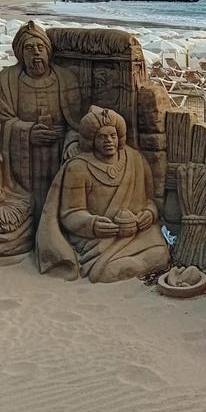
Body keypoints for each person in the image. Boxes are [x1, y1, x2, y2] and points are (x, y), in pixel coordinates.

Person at [37, 106, 170, 283]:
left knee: (161, 253)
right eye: (102, 136)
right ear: (91, 139)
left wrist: (148, 213)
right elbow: (69, 214)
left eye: (112, 136)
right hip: (97, 240)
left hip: (136, 233)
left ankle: (127, 264)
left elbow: (149, 200)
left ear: (119, 137)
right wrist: (92, 224)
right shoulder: (77, 168)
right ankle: (114, 265)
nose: (109, 141)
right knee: (106, 272)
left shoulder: (134, 159)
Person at [0, 21, 84, 222]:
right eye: (29, 48)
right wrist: (28, 132)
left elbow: (78, 123)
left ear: (48, 51)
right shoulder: (6, 80)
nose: (36, 53)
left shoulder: (66, 79)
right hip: (23, 161)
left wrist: (72, 142)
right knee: (29, 210)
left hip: (58, 154)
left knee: (58, 205)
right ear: (21, 54)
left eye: (40, 47)